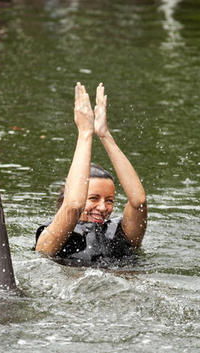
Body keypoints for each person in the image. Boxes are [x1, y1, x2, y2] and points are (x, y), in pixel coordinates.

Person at [35, 82, 147, 266]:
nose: (103, 208)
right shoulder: (51, 236)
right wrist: (85, 133)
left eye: (109, 200)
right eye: (94, 198)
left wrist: (105, 135)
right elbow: (73, 205)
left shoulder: (121, 233)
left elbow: (138, 201)